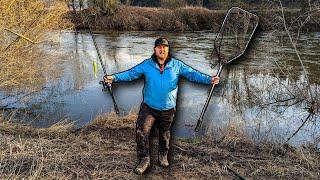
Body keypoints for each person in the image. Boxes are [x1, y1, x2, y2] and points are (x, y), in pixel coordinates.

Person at [104, 37, 219, 175]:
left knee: (164, 134)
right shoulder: (147, 65)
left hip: (168, 108)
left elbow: (193, 74)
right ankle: (144, 159)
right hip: (149, 107)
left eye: (164, 47)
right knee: (142, 132)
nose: (161, 49)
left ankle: (163, 155)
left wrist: (209, 79)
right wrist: (114, 77)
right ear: (155, 49)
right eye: (159, 47)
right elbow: (131, 74)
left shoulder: (177, 65)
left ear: (168, 49)